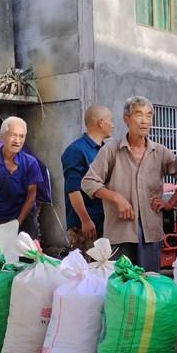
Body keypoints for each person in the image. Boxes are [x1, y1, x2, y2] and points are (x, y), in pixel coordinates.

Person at [81, 96, 177, 271]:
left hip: (150, 233)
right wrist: (116, 198)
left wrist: (171, 203)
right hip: (119, 233)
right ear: (126, 119)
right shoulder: (111, 150)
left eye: (148, 115)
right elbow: (89, 182)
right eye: (138, 114)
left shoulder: (160, 152)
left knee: (149, 285)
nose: (144, 121)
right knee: (121, 287)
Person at [61, 105, 114, 255]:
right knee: (85, 271)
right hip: (84, 225)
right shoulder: (76, 150)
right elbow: (73, 189)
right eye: (110, 120)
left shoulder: (105, 150)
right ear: (101, 122)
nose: (113, 125)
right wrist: (85, 219)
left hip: (103, 221)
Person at [0, 116, 44, 239]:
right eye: (13, 135)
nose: (17, 141)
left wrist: (18, 222)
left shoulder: (30, 162)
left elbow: (31, 196)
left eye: (21, 136)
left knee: (27, 255)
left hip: (25, 219)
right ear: (2, 136)